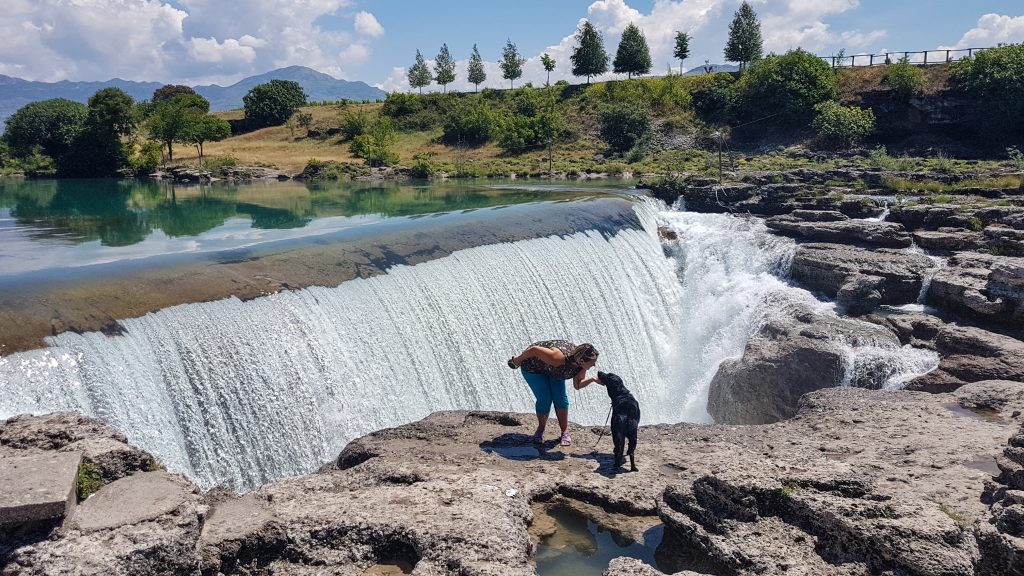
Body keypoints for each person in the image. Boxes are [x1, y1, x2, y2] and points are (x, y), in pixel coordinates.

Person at [507, 341, 599, 446]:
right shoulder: (558, 357)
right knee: (545, 399)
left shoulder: (581, 365)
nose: (594, 365)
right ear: (582, 360)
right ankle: (540, 430)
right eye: (593, 363)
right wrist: (516, 361)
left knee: (560, 399)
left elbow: (577, 385)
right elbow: (534, 350)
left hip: (555, 371)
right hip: (533, 367)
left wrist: (593, 379)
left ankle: (565, 432)